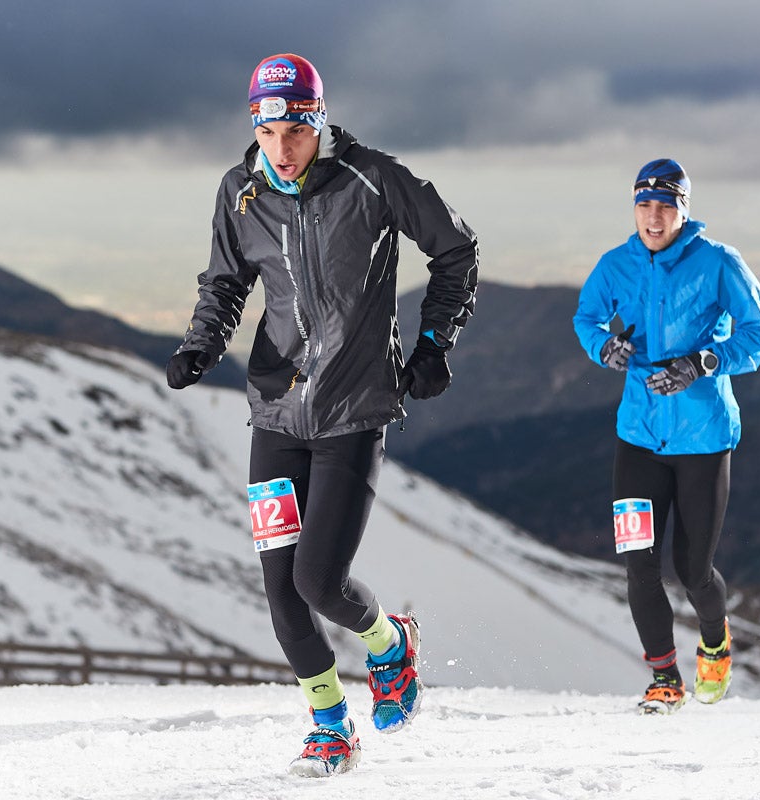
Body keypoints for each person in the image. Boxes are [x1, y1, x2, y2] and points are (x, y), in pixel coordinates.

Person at [166, 53, 477, 774]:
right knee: (282, 596)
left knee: (319, 583)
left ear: (319, 119)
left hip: (353, 411)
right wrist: (202, 343)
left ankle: (390, 646)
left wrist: (432, 343)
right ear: (255, 125)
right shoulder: (240, 192)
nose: (283, 146)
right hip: (275, 415)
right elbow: (225, 281)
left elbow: (456, 249)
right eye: (268, 129)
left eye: (296, 129)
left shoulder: (373, 177)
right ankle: (330, 724)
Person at [573, 158, 760, 714]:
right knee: (639, 561)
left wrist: (704, 361)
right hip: (637, 437)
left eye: (666, 206)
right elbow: (587, 318)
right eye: (645, 205)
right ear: (634, 207)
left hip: (703, 440)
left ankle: (715, 638)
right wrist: (603, 347)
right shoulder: (617, 264)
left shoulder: (717, 263)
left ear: (684, 209)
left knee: (691, 570)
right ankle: (664, 678)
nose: (654, 217)